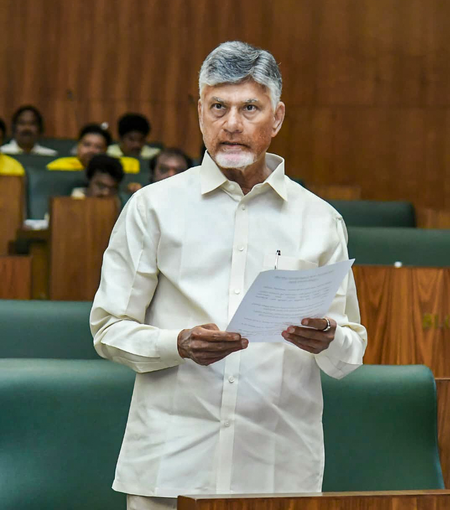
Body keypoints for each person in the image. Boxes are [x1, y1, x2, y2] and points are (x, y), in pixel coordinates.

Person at [91, 41, 367, 510]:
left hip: (278, 468)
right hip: (169, 466)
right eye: (218, 106)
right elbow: (108, 328)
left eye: (250, 108)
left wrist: (328, 339)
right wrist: (178, 344)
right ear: (200, 113)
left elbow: (350, 350)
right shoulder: (153, 207)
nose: (232, 124)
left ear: (277, 118)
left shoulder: (320, 220)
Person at [47, 123, 139, 174]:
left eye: (98, 147)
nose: (91, 150)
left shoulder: (127, 165)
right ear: (78, 146)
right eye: (87, 145)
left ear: (106, 150)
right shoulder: (57, 167)